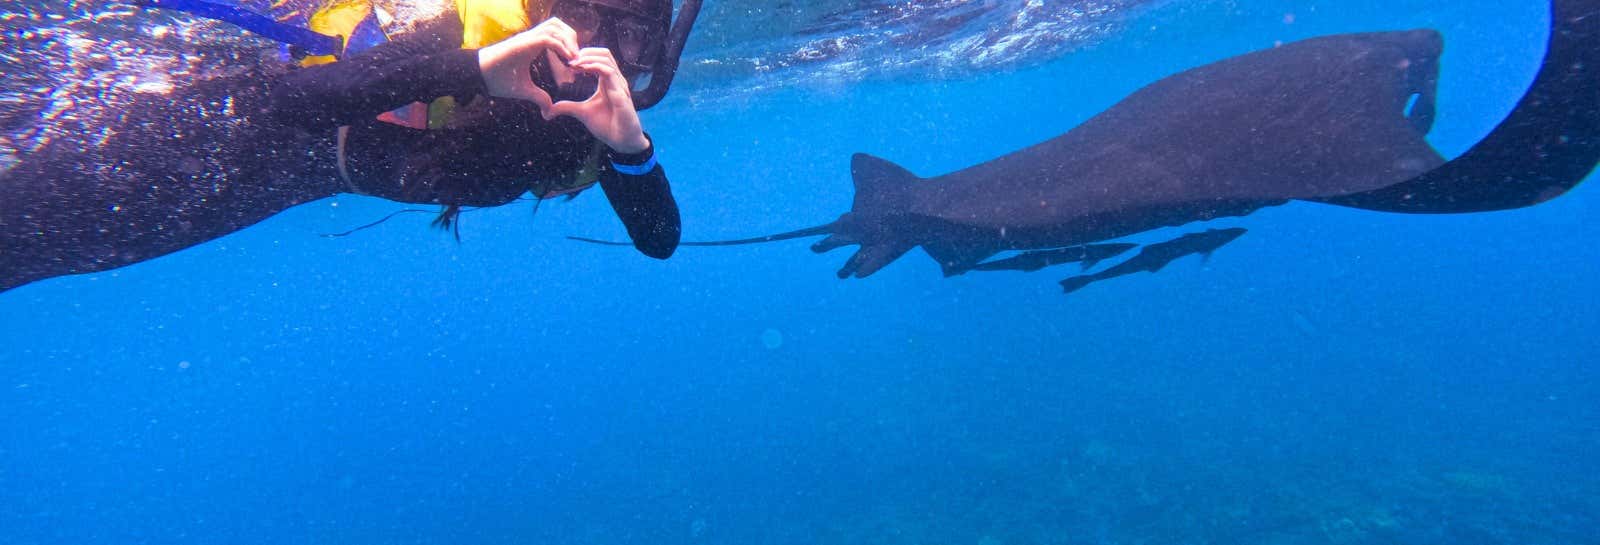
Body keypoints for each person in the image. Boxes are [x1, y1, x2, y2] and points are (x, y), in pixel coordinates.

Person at [0, 0, 700, 293]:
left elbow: (660, 239)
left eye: (633, 33)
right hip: (221, 129)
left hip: (263, 186)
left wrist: (631, 149)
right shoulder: (474, 32)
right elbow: (295, 102)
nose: (604, 46)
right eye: (589, 18)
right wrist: (474, 70)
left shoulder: (597, 117)